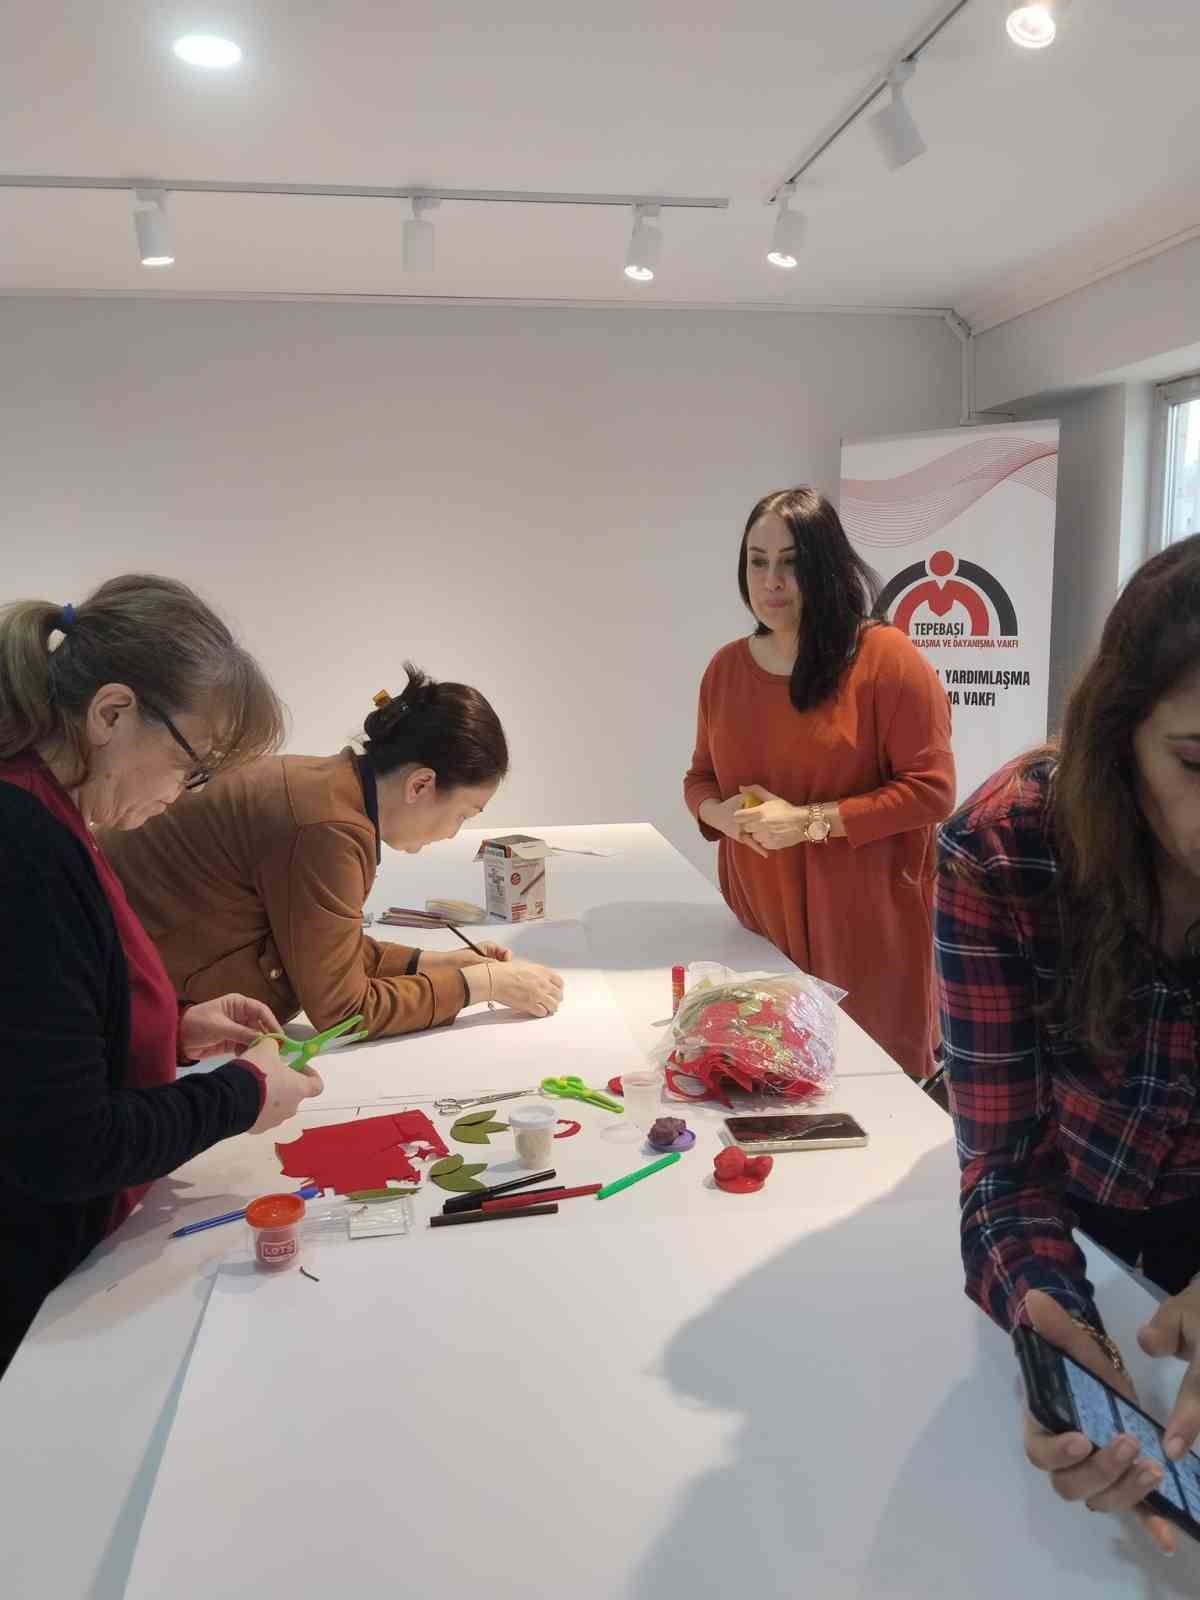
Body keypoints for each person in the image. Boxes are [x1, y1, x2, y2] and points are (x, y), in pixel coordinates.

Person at [935, 534, 1200, 1557]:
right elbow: (1005, 1168)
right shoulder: (1006, 850)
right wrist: (1055, 1315)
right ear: (1118, 731)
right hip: (1078, 1206)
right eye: (1197, 763)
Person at [0, 576, 321, 1378]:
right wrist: (242, 1095)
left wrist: (169, 1026)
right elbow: (66, 1146)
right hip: (34, 1304)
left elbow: (39, 1020)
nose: (183, 795)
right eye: (191, 765)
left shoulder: (45, 815)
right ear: (112, 714)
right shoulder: (24, 849)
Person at [102, 664, 564, 1036]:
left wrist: (433, 963)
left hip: (124, 981)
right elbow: (345, 1011)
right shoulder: (326, 830)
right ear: (421, 784)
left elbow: (316, 942)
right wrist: (480, 984)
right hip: (131, 1012)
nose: (451, 833)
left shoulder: (329, 787)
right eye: (463, 813)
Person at [683, 486, 955, 1078]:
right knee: (765, 1095)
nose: (771, 581)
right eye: (758, 561)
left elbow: (932, 790)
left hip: (864, 935)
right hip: (758, 930)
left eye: (791, 562)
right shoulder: (726, 668)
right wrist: (717, 815)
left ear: (826, 565)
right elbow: (700, 778)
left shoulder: (887, 659)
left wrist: (807, 822)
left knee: (871, 1102)